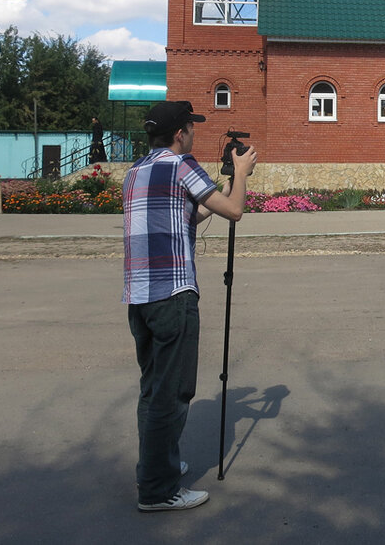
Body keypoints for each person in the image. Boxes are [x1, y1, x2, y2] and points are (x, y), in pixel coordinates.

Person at [122, 100, 257, 512]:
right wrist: (242, 175)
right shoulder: (181, 166)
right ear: (180, 132)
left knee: (153, 390)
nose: (194, 134)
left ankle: (157, 467)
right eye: (192, 127)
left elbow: (180, 216)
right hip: (173, 296)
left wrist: (213, 191)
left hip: (139, 300)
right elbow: (234, 211)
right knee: (172, 394)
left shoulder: (135, 172)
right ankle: (158, 491)